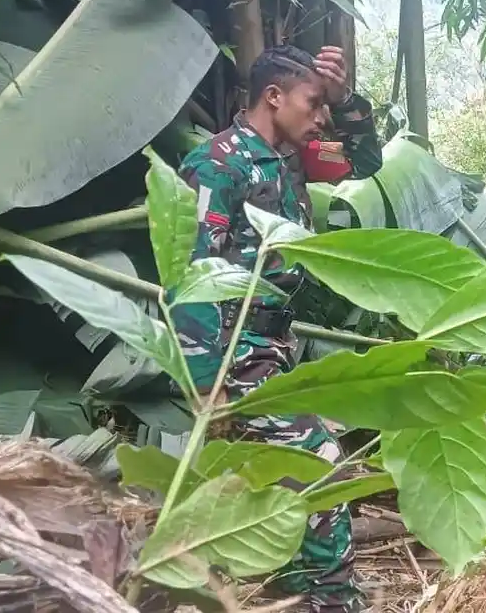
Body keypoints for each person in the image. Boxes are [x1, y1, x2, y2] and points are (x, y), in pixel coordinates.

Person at [171, 44, 382, 613]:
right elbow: (191, 273)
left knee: (276, 481)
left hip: (274, 348)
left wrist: (346, 100)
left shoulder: (293, 158)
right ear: (273, 97)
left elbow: (364, 162)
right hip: (234, 352)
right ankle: (332, 602)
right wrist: (205, 380)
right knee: (320, 464)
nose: (321, 118)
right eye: (313, 104)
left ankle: (294, 591)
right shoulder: (217, 164)